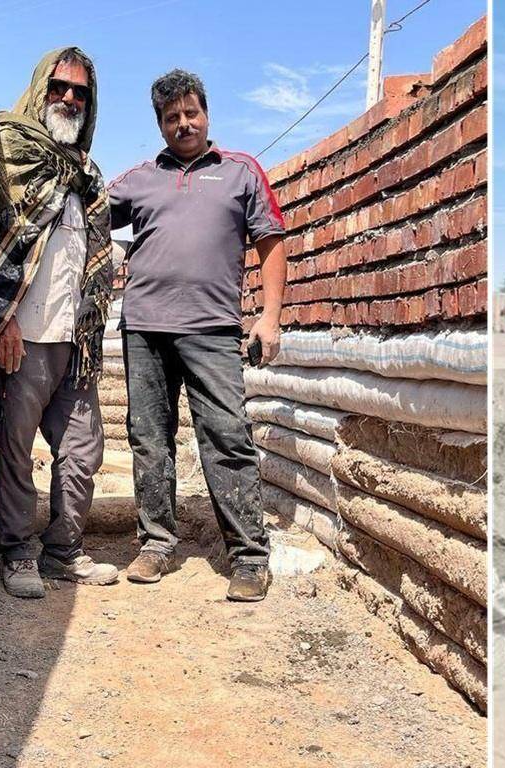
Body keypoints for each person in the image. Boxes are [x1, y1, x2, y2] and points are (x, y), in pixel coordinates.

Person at [107, 69, 287, 601]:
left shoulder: (240, 172)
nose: (183, 124)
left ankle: (249, 556)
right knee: (149, 439)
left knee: (228, 438)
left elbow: (272, 244)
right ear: (159, 125)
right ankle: (157, 543)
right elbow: (87, 212)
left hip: (211, 330)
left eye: (191, 113)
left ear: (206, 114)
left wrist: (269, 317)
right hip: (144, 328)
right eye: (171, 118)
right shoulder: (140, 178)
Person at [0, 47, 119, 598]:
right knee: (15, 448)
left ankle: (63, 552)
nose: (70, 98)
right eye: (61, 87)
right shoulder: (6, 149)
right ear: (41, 87)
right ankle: (17, 552)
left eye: (81, 92)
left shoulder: (86, 175)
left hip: (74, 341)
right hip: (20, 334)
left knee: (82, 451)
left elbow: (92, 257)